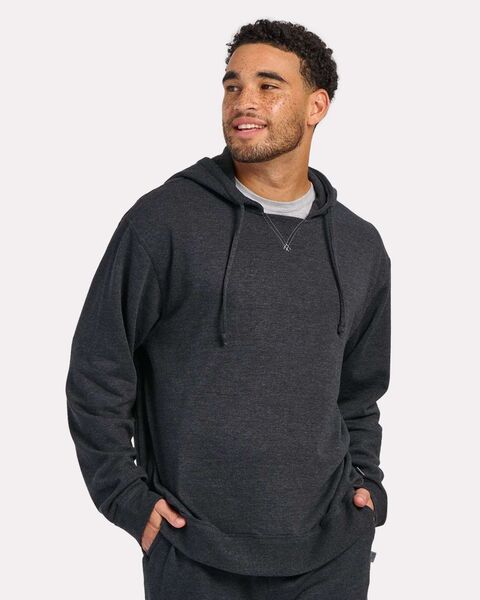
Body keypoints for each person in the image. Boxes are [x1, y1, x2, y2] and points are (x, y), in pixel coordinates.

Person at [66, 18, 391, 600]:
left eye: (269, 86)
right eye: (233, 85)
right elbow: (98, 370)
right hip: (194, 551)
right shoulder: (164, 222)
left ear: (316, 106)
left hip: (330, 553)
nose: (244, 102)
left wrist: (365, 485)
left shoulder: (359, 245)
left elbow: (358, 392)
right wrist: (127, 499)